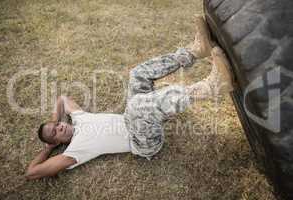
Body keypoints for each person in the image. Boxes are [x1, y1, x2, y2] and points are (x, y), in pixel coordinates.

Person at [26, 17, 234, 180]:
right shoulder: (73, 152)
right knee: (135, 107)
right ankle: (210, 87)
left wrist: (55, 119)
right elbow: (32, 172)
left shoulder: (79, 117)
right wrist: (48, 149)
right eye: (55, 133)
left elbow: (62, 99)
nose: (59, 128)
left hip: (139, 119)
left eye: (56, 126)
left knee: (137, 74)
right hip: (142, 143)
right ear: (57, 142)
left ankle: (194, 52)